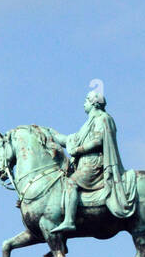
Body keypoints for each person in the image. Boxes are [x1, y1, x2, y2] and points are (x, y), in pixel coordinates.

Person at [49, 89, 135, 234]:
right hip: (84, 164)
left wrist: (78, 150)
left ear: (94, 103)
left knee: (70, 183)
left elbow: (98, 140)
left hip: (94, 164)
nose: (84, 103)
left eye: (86, 100)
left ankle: (69, 220)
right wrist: (51, 133)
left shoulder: (103, 118)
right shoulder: (88, 123)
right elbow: (71, 140)